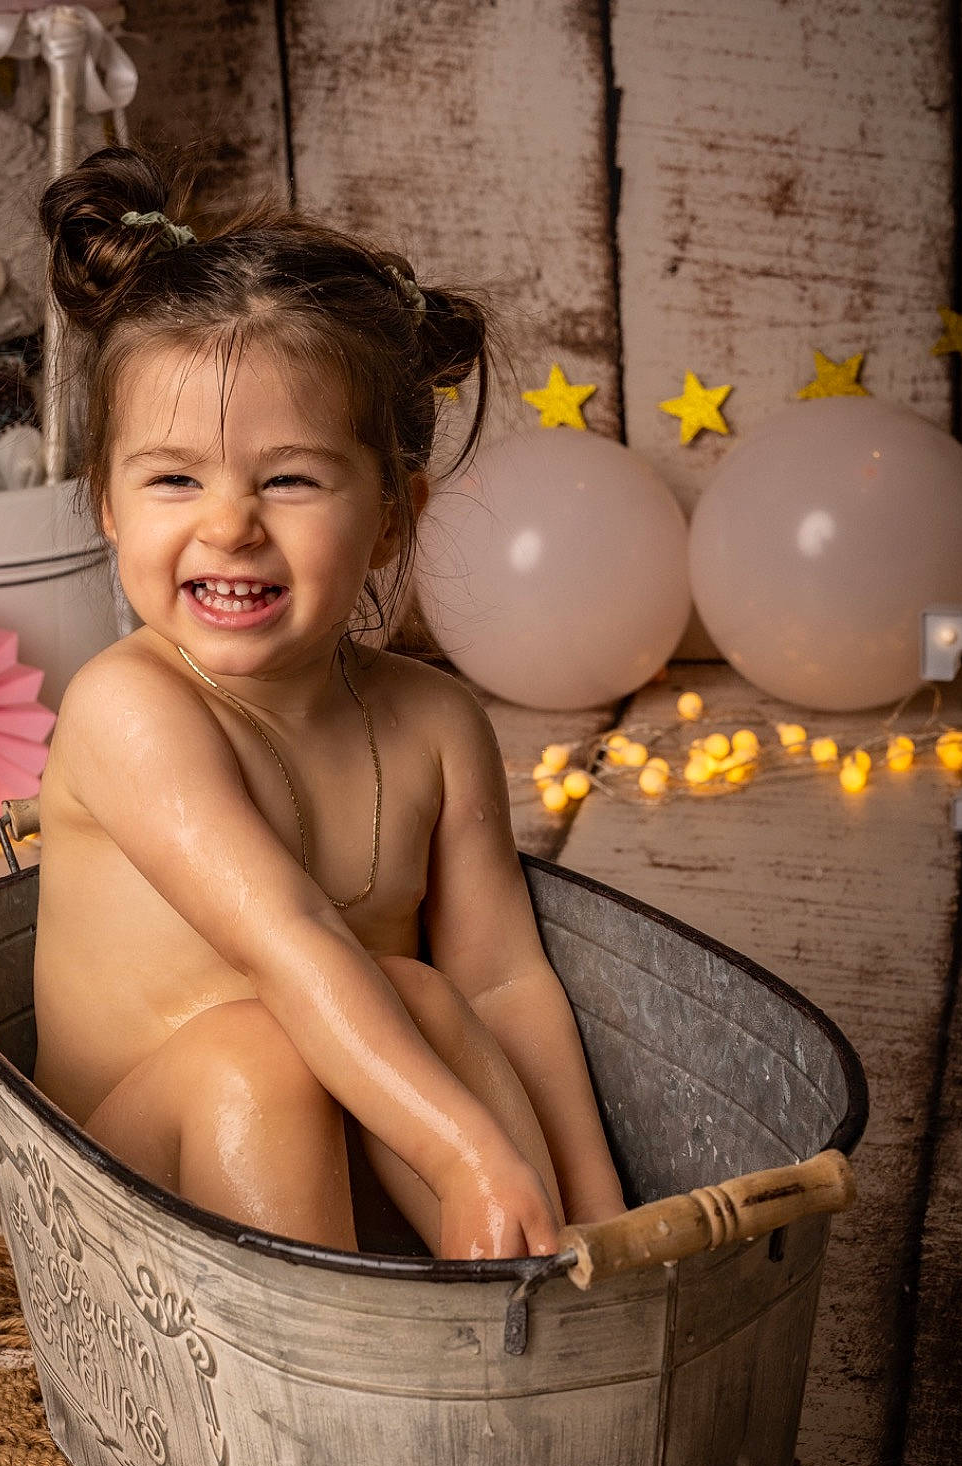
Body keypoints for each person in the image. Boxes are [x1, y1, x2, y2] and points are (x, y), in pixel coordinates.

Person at [31, 147, 628, 1261]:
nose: (229, 525)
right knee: (259, 1050)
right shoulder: (132, 708)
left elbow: (503, 981)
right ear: (106, 503)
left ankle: (533, 1309)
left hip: (344, 1152)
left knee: (427, 996)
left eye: (290, 478)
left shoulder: (435, 725)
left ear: (395, 517)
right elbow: (291, 941)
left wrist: (602, 1219)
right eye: (173, 478)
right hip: (133, 1202)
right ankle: (312, 1400)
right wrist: (460, 1151)